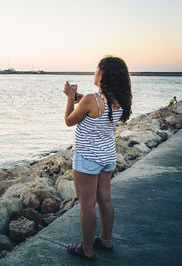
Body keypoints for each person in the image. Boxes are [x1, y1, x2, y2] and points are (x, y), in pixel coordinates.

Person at [63, 56, 132, 260]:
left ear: (104, 75)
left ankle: (87, 249)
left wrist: (70, 97)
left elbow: (69, 121)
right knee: (105, 199)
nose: (95, 73)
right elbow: (98, 112)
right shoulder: (120, 99)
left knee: (86, 204)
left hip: (87, 158)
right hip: (107, 155)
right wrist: (81, 99)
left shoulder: (91, 100)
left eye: (97, 70)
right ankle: (106, 240)